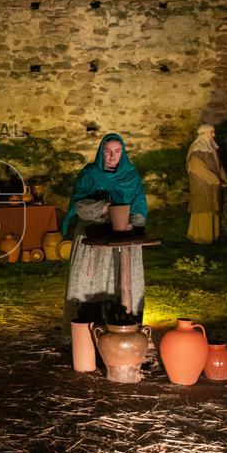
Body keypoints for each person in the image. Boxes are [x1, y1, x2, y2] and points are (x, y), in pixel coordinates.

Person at [60, 133, 148, 343]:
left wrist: (132, 221)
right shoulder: (89, 175)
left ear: (122, 153)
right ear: (101, 152)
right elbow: (79, 205)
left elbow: (139, 207)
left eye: (117, 152)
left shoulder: (131, 176)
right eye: (108, 151)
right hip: (93, 236)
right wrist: (103, 208)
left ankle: (124, 332)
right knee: (89, 284)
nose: (112, 156)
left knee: (122, 282)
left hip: (123, 239)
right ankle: (84, 336)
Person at [186, 124, 227, 244]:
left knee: (212, 208)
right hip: (202, 185)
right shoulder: (196, 149)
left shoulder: (211, 148)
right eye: (212, 132)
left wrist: (223, 179)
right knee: (203, 208)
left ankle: (212, 236)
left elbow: (218, 165)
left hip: (213, 185)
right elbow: (196, 167)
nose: (214, 135)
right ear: (204, 133)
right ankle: (201, 237)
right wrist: (214, 179)